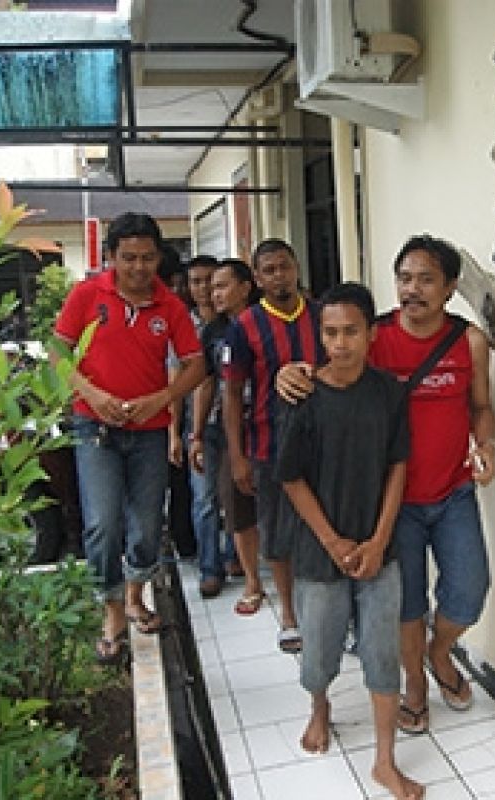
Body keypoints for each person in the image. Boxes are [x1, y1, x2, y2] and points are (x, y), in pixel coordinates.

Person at [278, 234, 495, 734]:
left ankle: (440, 654)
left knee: (470, 589)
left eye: (426, 280)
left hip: (453, 492)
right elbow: (328, 374)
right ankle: (416, 688)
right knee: (407, 604)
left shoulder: (469, 341)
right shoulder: (372, 336)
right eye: (404, 279)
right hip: (391, 500)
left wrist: (487, 447)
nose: (412, 290)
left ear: (450, 288)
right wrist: (288, 374)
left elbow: (481, 408)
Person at [275, 282, 421, 800]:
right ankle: (320, 708)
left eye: (351, 332)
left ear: (370, 334)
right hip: (319, 552)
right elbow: (291, 478)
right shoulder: (304, 396)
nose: (340, 344)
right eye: (331, 333)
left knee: (383, 653)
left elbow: (398, 465)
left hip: (381, 549)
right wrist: (335, 542)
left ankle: (385, 760)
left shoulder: (388, 392)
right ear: (320, 335)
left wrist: (380, 539)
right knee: (318, 652)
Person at [53, 212, 205, 663]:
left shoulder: (171, 307)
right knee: (102, 524)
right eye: (129, 258)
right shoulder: (86, 296)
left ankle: (137, 592)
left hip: (150, 434)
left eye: (147, 258)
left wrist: (161, 398)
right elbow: (58, 351)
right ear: (111, 257)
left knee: (144, 526)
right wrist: (92, 395)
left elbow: (195, 365)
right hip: (94, 426)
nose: (139, 267)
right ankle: (113, 609)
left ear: (159, 257)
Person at [221, 239, 324, 651]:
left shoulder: (321, 316)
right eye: (269, 270)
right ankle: (289, 614)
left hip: (323, 443)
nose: (279, 276)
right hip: (268, 444)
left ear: (296, 267)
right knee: (278, 536)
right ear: (257, 279)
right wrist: (237, 456)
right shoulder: (243, 327)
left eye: (285, 266)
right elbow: (231, 394)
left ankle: (331, 611)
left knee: (327, 526)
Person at [190, 259, 261, 606]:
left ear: (245, 287)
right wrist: (196, 434)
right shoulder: (213, 331)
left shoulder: (264, 322)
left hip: (263, 422)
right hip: (224, 427)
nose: (213, 294)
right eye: (211, 287)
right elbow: (207, 383)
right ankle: (248, 579)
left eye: (221, 286)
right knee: (230, 503)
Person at [171, 254, 237, 597]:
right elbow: (180, 382)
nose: (205, 289)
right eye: (196, 281)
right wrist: (179, 433)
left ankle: (234, 557)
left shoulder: (237, 324)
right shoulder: (183, 325)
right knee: (205, 499)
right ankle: (210, 568)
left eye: (212, 281)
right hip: (201, 424)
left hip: (238, 423)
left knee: (236, 493)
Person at [159, 245, 197, 560]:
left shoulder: (179, 316)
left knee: (183, 483)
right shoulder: (173, 314)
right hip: (167, 410)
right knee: (177, 481)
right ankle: (183, 542)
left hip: (180, 410)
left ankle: (185, 542)